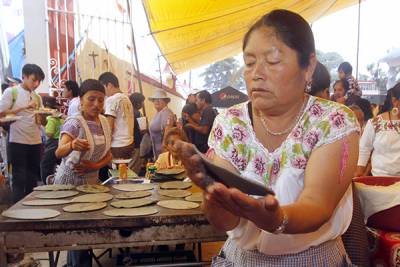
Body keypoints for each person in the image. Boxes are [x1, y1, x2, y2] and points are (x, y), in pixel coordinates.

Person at [176, 9, 359, 266]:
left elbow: (317, 205)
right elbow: (225, 221)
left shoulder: (332, 120)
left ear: (309, 67)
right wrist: (211, 193)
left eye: (272, 61)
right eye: (249, 63)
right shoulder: (230, 122)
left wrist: (277, 219)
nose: (256, 73)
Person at [0, 63, 45, 202]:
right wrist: (24, 107)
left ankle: (31, 210)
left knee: (32, 178)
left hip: (36, 141)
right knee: (19, 178)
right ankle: (16, 213)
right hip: (17, 141)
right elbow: (1, 113)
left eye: (39, 81)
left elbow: (43, 122)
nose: (36, 84)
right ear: (24, 77)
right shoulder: (11, 92)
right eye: (34, 80)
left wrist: (44, 116)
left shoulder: (37, 97)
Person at [53, 79, 112, 185]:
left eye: (101, 100)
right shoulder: (74, 123)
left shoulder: (104, 122)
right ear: (81, 100)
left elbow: (108, 155)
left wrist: (94, 167)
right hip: (69, 183)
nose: (96, 104)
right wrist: (72, 145)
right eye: (91, 99)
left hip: (92, 183)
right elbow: (58, 152)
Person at [356, 82, 400, 177]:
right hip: (379, 180)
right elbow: (364, 149)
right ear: (395, 101)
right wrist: (358, 174)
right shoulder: (375, 123)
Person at [99, 72, 134, 159]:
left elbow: (109, 126)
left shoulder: (112, 99)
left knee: (116, 171)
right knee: (123, 170)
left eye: (103, 87)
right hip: (128, 143)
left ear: (109, 85)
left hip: (117, 145)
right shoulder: (126, 98)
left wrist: (106, 146)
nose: (103, 91)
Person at [40, 97, 64, 183]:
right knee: (61, 164)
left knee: (45, 165)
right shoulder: (60, 119)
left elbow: (49, 134)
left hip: (52, 144)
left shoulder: (50, 119)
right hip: (61, 142)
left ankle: (47, 183)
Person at [148, 89, 174, 159]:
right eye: (155, 99)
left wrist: (164, 149)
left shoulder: (166, 113)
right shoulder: (159, 112)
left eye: (160, 99)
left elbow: (168, 131)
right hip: (158, 152)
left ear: (165, 101)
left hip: (164, 152)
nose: (156, 101)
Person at [129, 92, 146, 174]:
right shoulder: (138, 113)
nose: (143, 104)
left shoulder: (127, 112)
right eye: (143, 102)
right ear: (138, 102)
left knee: (129, 166)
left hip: (128, 144)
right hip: (137, 145)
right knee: (134, 169)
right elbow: (143, 130)